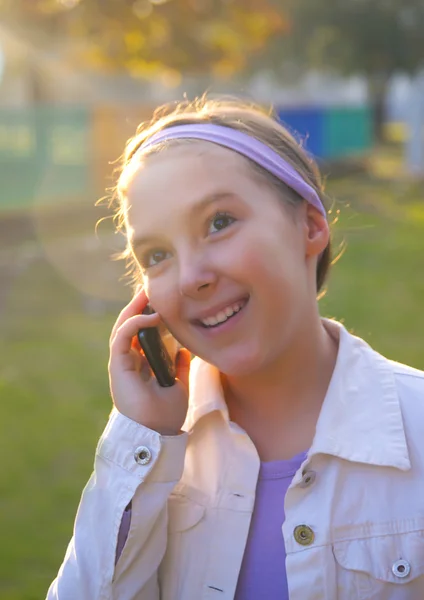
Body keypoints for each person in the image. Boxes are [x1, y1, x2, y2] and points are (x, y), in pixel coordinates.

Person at [47, 97, 424, 600]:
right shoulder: (148, 457)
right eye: (157, 255)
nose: (192, 278)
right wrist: (140, 435)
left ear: (310, 225)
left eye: (219, 222)